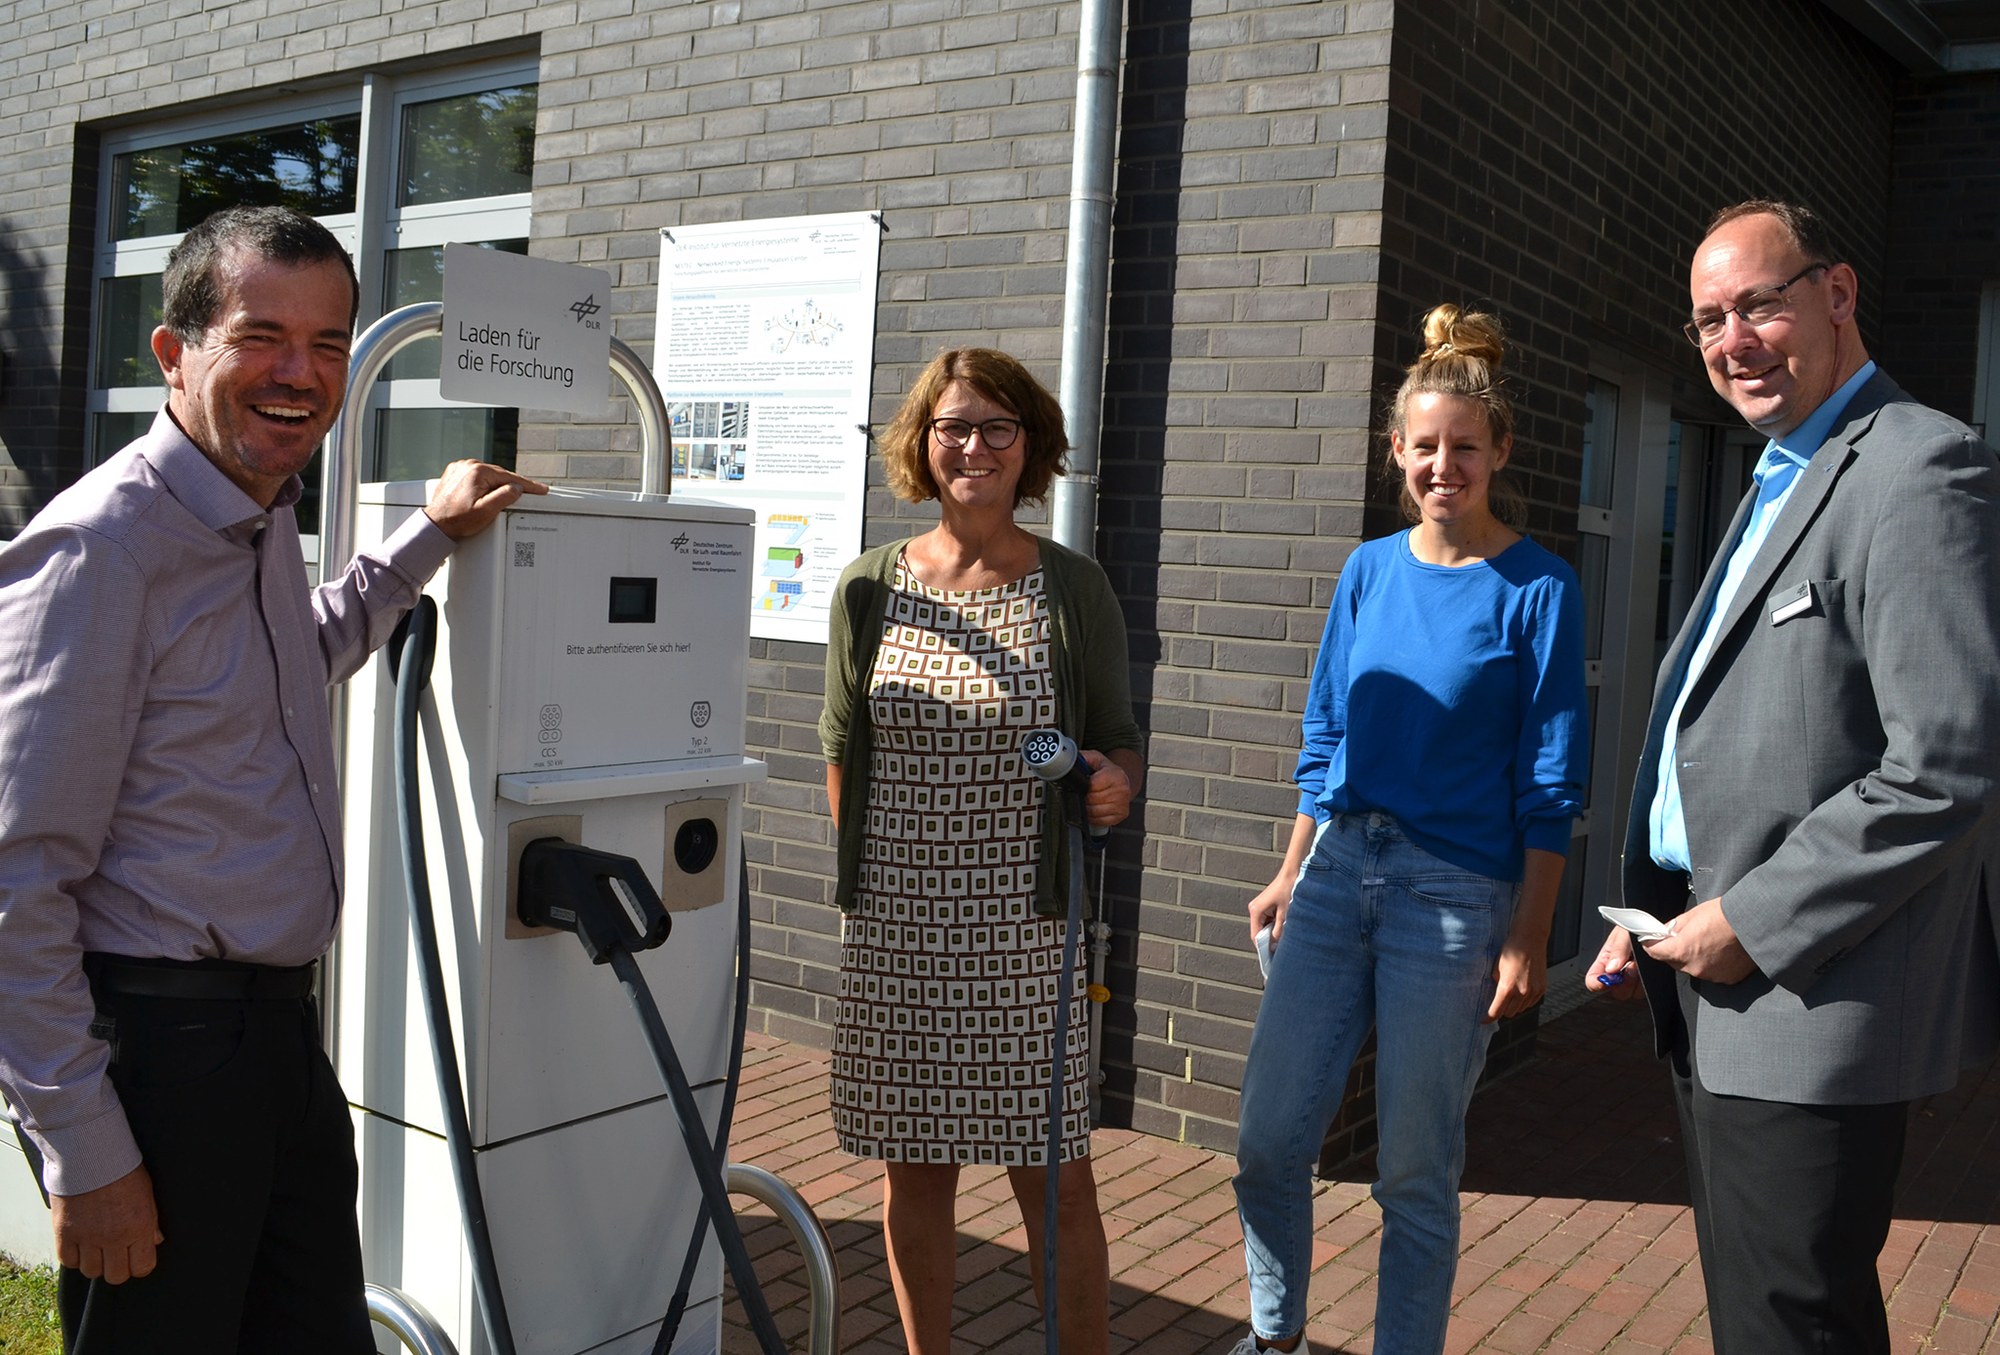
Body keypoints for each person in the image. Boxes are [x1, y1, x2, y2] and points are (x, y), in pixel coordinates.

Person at [0, 204, 545, 1353]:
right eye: (261, 335)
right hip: (159, 1059)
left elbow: (305, 650)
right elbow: (16, 881)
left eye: (330, 342)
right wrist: (85, 1150)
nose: (299, 373)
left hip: (276, 1048)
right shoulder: (103, 549)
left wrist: (428, 536)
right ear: (174, 352)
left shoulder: (252, 521)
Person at [1586, 199, 2000, 1355]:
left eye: (1758, 303)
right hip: (1711, 973)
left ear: (1836, 292)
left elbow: (1943, 764)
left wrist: (1750, 920)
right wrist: (1664, 911)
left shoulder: (1919, 467)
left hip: (1804, 994)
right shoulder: (1780, 471)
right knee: (1762, 1315)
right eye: (1708, 318)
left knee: (1788, 1325)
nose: (1732, 339)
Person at [1224, 306, 1588, 1355]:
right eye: (1423, 446)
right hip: (1338, 871)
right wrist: (1290, 869)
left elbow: (1551, 775)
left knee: (1414, 1171)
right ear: (1395, 451)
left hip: (1454, 893)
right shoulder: (1366, 571)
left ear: (1498, 451)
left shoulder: (1539, 589)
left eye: (1463, 447)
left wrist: (1529, 931)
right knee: (1265, 1140)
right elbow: (1325, 727)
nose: (1443, 466)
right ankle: (1275, 1336)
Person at [819, 347, 1144, 1355]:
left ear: (1029, 447)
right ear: (922, 442)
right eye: (953, 425)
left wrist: (1111, 780)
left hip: (1021, 932)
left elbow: (1115, 738)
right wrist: (872, 891)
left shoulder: (1070, 587)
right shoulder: (868, 587)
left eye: (997, 427)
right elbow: (840, 745)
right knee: (910, 1168)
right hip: (899, 932)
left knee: (1050, 1174)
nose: (974, 446)